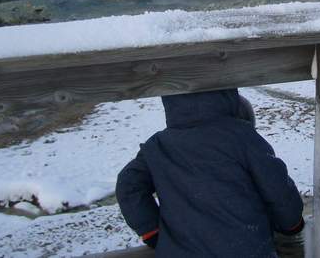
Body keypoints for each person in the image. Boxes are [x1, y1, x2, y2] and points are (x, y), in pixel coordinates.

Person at [116, 88, 305, 257]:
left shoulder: (157, 146)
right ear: (226, 94)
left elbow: (128, 186)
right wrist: (291, 223)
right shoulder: (242, 137)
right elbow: (276, 185)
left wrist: (152, 232)